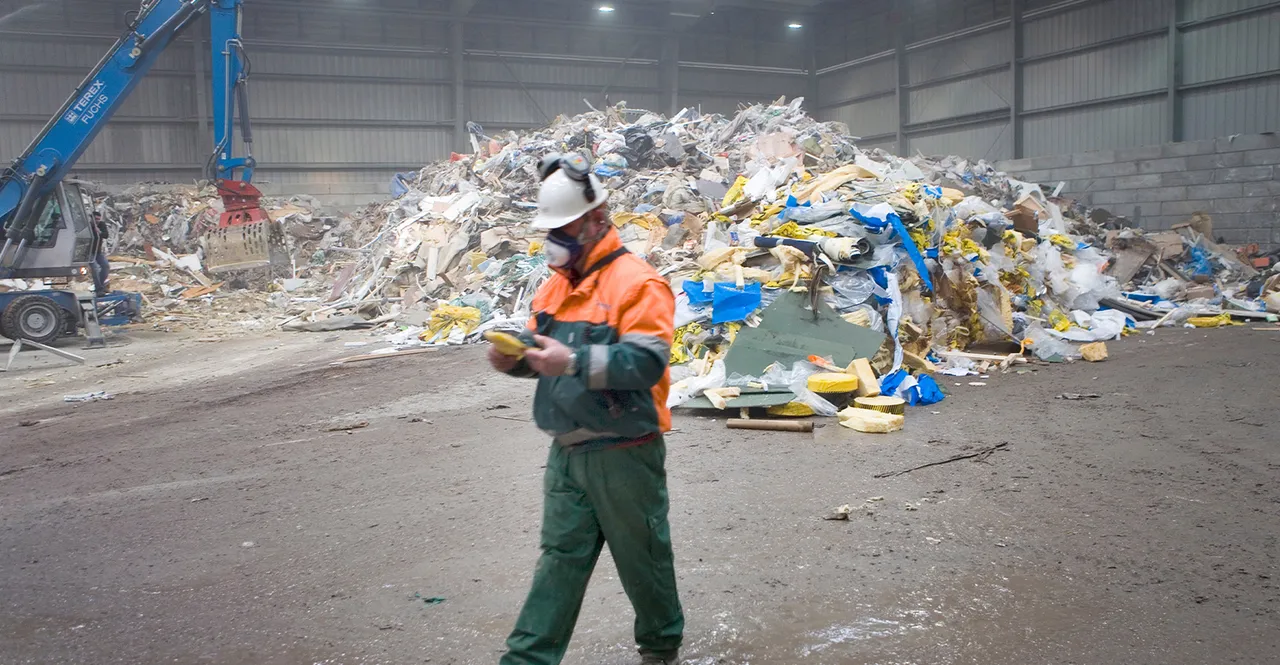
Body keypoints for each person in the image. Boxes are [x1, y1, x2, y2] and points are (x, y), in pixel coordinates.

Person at [489, 153, 683, 665]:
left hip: (624, 453)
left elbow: (644, 364)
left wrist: (572, 359)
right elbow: (544, 362)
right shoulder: (555, 285)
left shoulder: (638, 283)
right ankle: (526, 660)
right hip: (567, 454)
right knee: (560, 560)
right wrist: (514, 361)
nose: (558, 240)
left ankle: (661, 649)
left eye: (567, 228)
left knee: (643, 560)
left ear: (597, 220)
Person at [91, 211, 111, 297]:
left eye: (99, 219)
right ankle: (98, 289)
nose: (97, 221)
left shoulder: (101, 225)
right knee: (95, 269)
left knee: (106, 266)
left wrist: (99, 232)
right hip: (88, 253)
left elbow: (106, 235)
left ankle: (101, 286)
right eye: (95, 219)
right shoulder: (87, 225)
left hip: (97, 252)